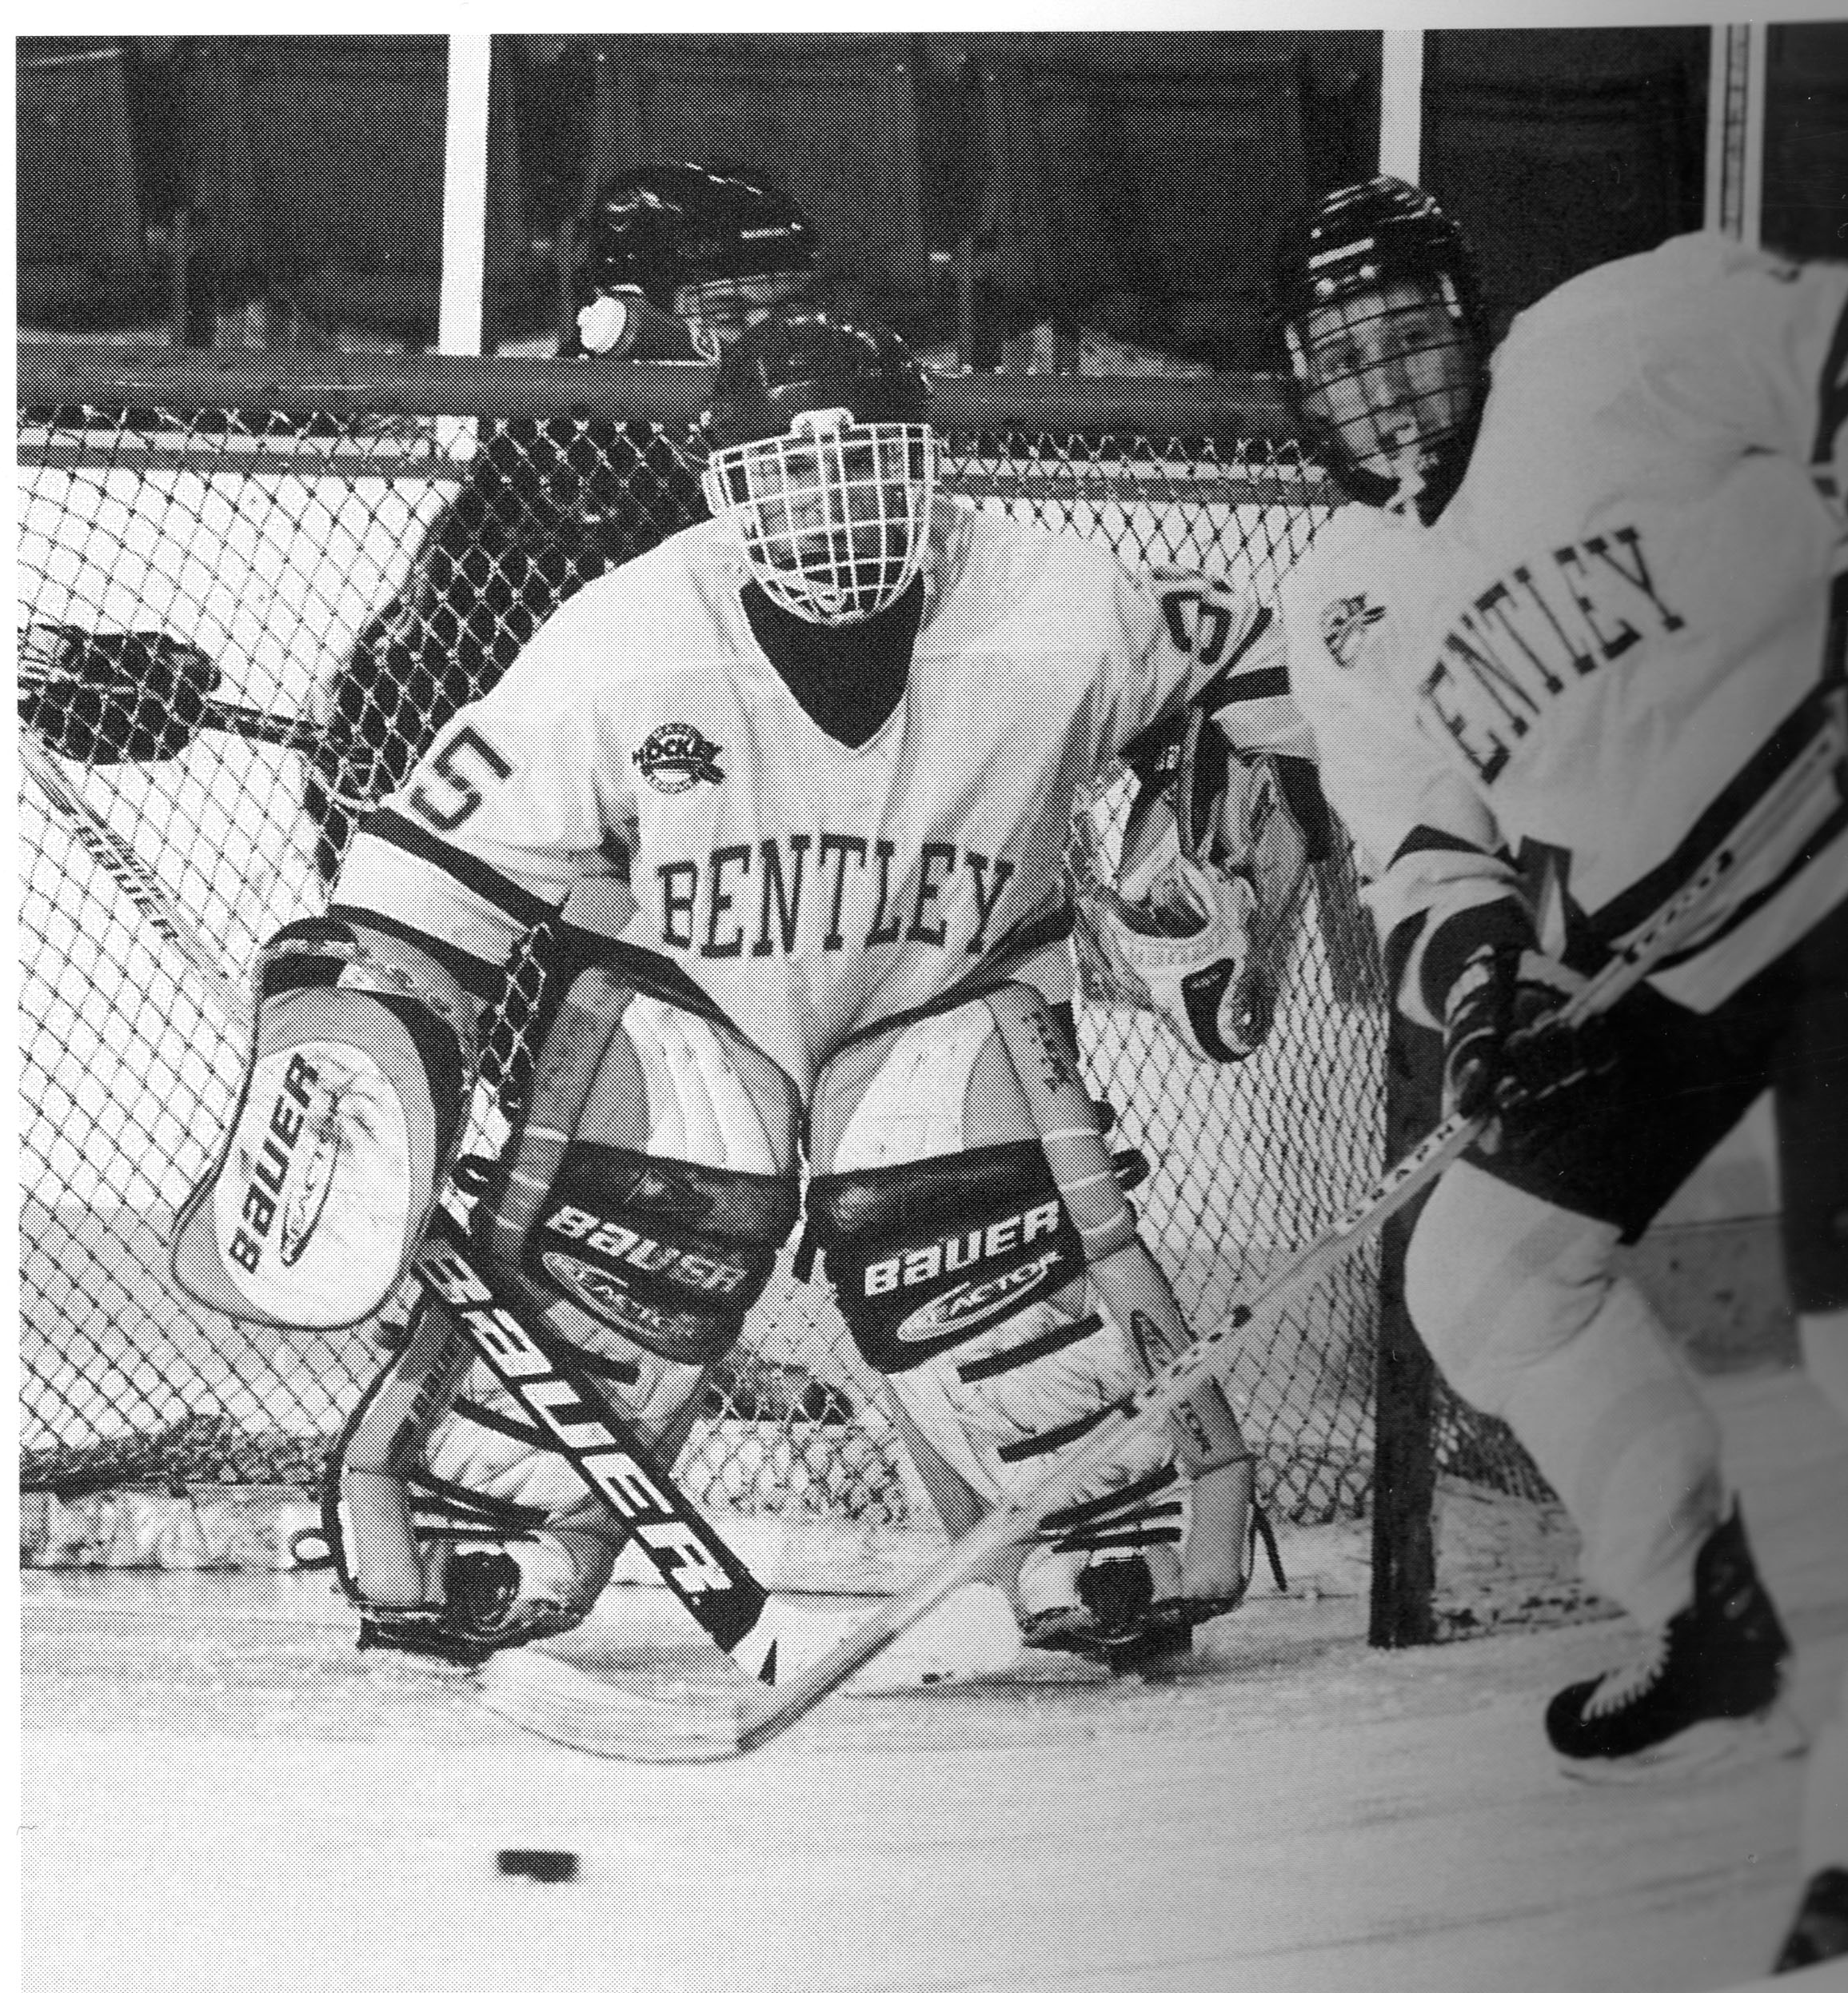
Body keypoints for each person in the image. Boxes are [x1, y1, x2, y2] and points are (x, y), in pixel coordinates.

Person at [174, 310, 1313, 1679]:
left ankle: (1093, 1527)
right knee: (668, 1161)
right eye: (790, 477)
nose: (833, 510)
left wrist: (1238, 826)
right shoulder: (627, 637)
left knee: (936, 1166)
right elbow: (431, 877)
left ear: (929, 470)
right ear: (725, 489)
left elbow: (1258, 654)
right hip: (699, 1003)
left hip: (947, 995)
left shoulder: (1054, 608)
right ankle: (489, 1519)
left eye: (870, 470)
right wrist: (374, 1018)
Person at [1268, 178, 1846, 1965]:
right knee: (1484, 1267)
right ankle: (1710, 1607)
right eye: (1334, 356)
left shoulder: (1620, 332)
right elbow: (1424, 855)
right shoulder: (1343, 596)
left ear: (1473, 311)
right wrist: (1482, 993)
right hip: (1665, 968)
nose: (1379, 382)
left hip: (1832, 886)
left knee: (1820, 1353)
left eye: (1404, 330)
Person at [302, 160, 823, 888]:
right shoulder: (569, 452)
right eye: (732, 315)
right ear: (623, 318)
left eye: (787, 310)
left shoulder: (806, 434)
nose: (770, 341)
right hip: (548, 860)